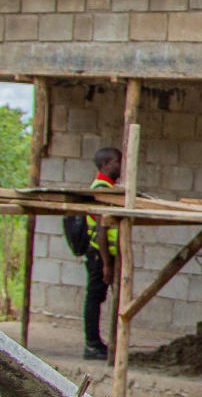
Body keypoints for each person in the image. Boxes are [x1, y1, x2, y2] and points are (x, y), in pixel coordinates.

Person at [63, 147, 124, 361]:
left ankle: (99, 343)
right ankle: (92, 344)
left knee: (98, 297)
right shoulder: (101, 188)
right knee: (94, 297)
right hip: (99, 254)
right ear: (106, 164)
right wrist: (107, 263)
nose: (120, 166)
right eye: (117, 161)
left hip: (106, 254)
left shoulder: (109, 187)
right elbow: (101, 228)